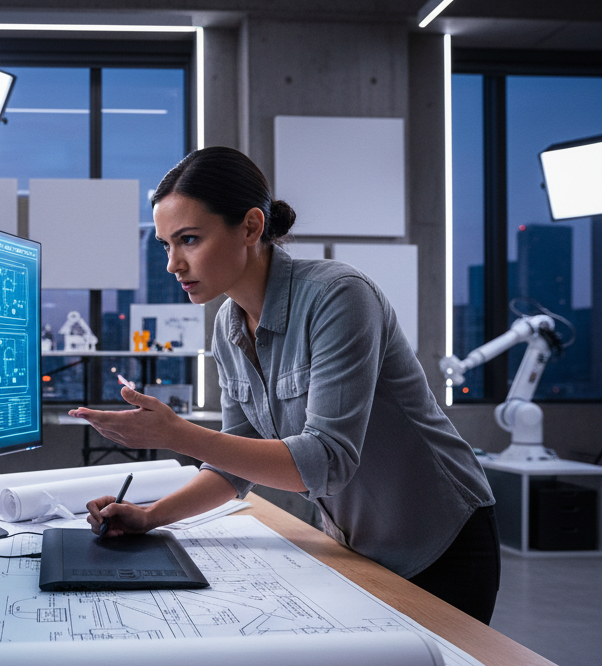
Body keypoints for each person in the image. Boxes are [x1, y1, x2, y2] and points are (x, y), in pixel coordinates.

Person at [71, 146, 499, 624]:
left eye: (189, 240)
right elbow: (235, 462)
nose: (173, 264)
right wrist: (150, 516)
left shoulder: (339, 295)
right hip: (354, 542)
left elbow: (327, 461)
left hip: (441, 540)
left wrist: (174, 434)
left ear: (251, 227)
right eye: (166, 245)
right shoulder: (228, 327)